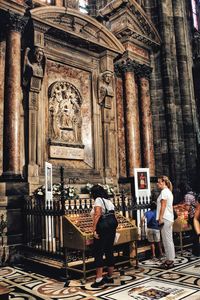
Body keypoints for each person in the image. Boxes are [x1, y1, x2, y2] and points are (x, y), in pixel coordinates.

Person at [90, 184, 117, 288]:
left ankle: (99, 279)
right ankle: (110, 276)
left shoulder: (98, 200)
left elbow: (97, 214)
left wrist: (94, 230)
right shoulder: (109, 201)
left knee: (99, 252)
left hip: (102, 228)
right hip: (111, 227)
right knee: (109, 250)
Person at [156, 175, 175, 269]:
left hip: (165, 218)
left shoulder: (164, 192)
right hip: (168, 217)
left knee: (167, 240)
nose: (157, 184)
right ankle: (169, 258)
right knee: (168, 239)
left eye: (159, 182)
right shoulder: (168, 191)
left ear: (164, 182)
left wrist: (160, 218)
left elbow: (163, 206)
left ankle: (170, 260)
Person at [178, 183, 198, 256]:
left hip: (194, 216)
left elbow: (188, 208)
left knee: (194, 234)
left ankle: (196, 251)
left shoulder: (187, 196)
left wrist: (182, 206)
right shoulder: (193, 193)